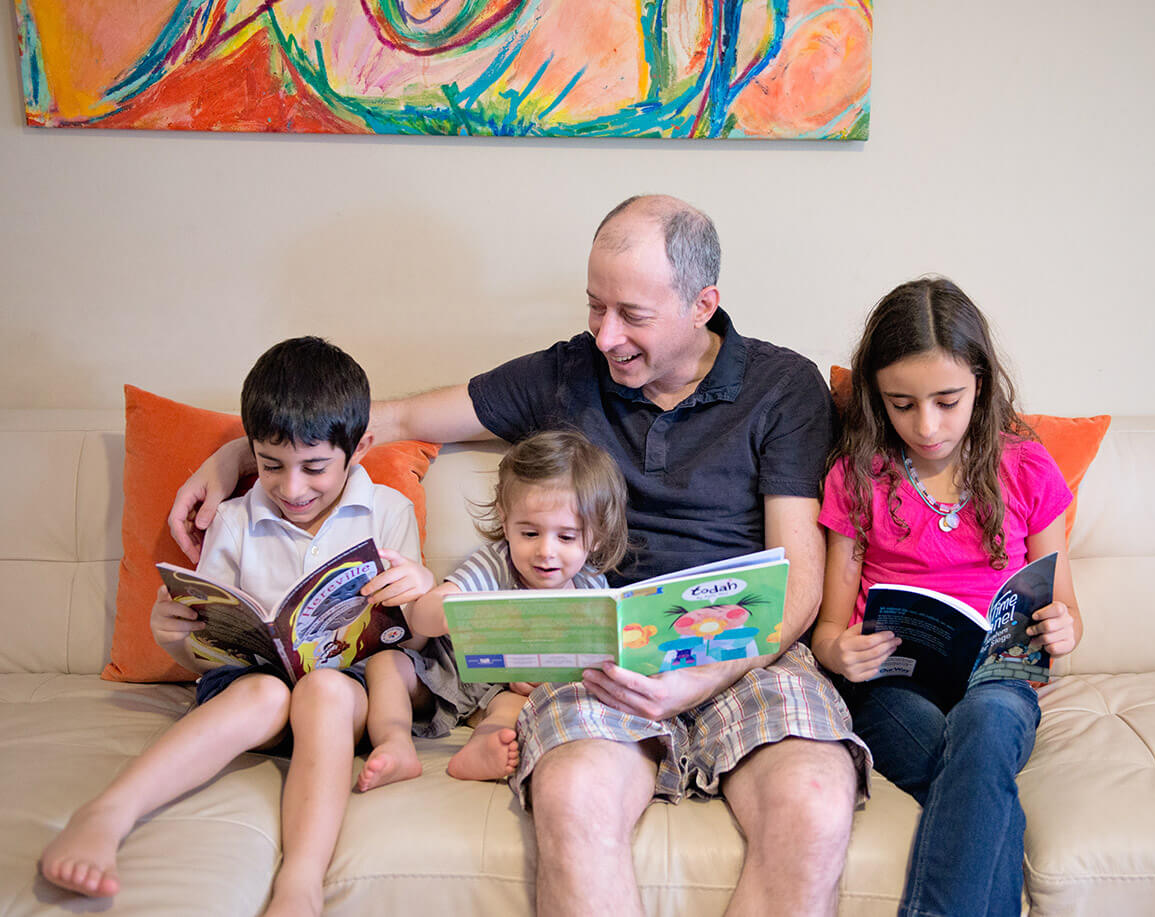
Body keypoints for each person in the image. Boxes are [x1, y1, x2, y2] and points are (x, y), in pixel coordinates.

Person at [169, 195, 871, 916]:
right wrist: (234, 455)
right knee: (570, 797)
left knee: (816, 801)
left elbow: (797, 588)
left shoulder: (783, 388)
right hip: (589, 650)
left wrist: (699, 679)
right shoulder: (566, 372)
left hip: (739, 649)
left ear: (703, 304)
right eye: (595, 306)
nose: (604, 335)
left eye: (631, 315)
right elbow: (395, 419)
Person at [40, 337, 435, 916]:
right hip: (259, 688)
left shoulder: (388, 513)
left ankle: (300, 880)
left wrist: (418, 590)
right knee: (263, 691)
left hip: (345, 693)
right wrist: (174, 636)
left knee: (324, 689)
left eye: (315, 467)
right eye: (271, 465)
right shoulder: (233, 519)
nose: (292, 488)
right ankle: (107, 812)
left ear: (360, 448)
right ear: (250, 451)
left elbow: (412, 642)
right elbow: (208, 646)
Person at [812, 277, 1083, 917]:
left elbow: (1066, 610)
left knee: (984, 726)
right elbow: (826, 628)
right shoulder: (858, 475)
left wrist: (1064, 631)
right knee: (979, 779)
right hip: (892, 687)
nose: (926, 426)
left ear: (980, 385)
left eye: (946, 401)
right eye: (901, 404)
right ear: (878, 398)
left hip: (999, 682)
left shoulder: (1025, 467)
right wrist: (837, 651)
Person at [406, 429, 628, 781]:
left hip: (525, 691)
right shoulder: (496, 564)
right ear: (505, 521)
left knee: (514, 710)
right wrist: (456, 610)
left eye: (566, 537)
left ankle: (484, 749)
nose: (545, 551)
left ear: (597, 535)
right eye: (529, 533)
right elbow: (424, 615)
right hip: (462, 673)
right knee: (394, 667)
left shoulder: (591, 584)